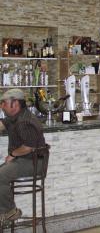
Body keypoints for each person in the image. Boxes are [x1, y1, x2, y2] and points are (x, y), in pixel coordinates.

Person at [0, 89, 46, 222]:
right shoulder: (15, 117)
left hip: (34, 162)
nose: (1, 105)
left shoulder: (25, 121)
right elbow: (3, 124)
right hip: (25, 160)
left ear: (15, 103)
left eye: (4, 103)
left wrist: (12, 154)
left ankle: (10, 211)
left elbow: (29, 147)